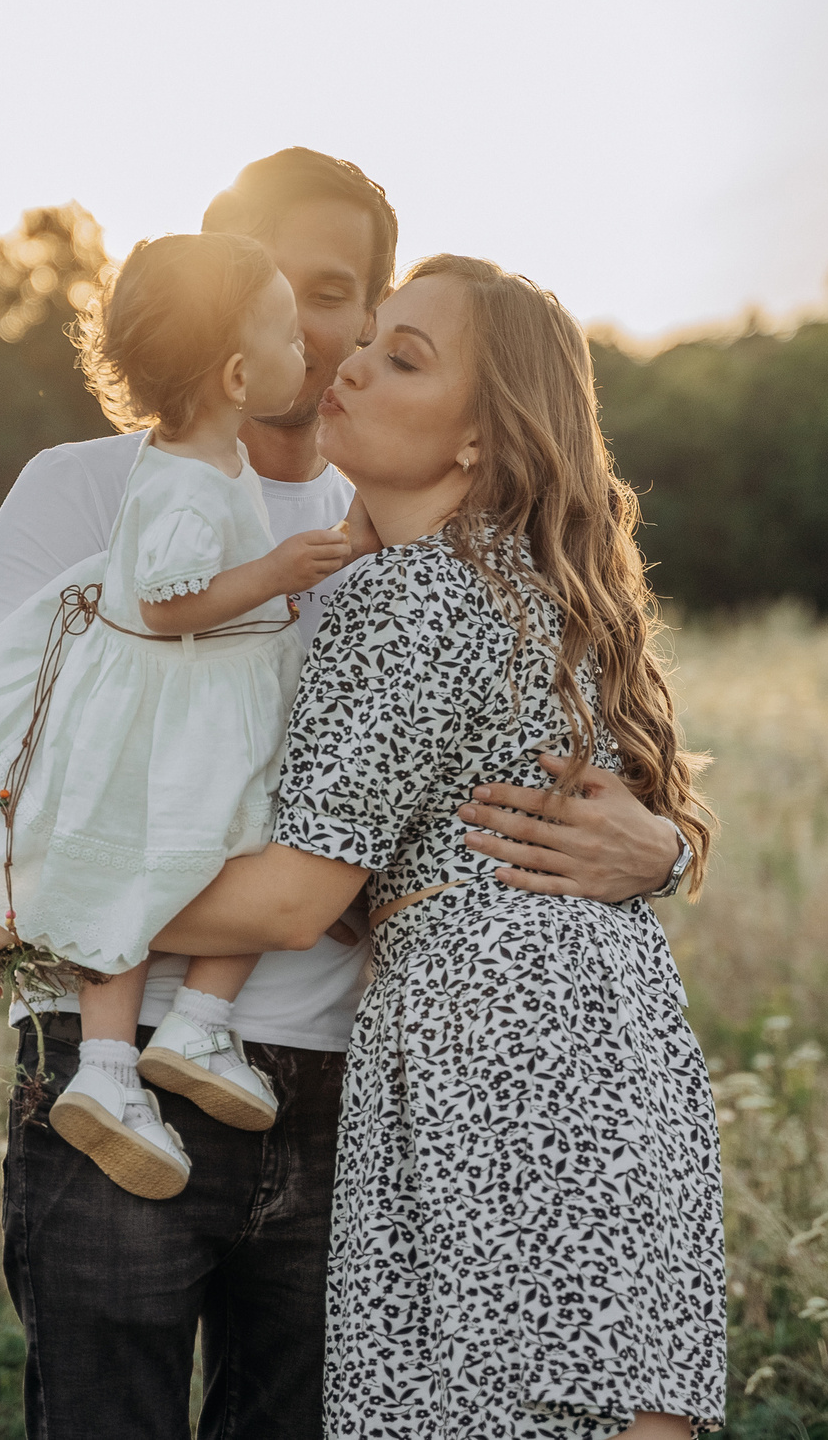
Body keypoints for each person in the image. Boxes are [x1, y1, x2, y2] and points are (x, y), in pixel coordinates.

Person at [0, 152, 697, 1440]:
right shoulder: (86, 488)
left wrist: (663, 849)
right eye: (264, 279)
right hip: (121, 1059)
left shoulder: (405, 528)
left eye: (352, 305)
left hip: (370, 1074)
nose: (314, 325)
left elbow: (553, 784)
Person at [136, 255, 729, 1437]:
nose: (353, 360)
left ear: (479, 441)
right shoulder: (528, 588)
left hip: (491, 1042)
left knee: (481, 1401)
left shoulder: (410, 595)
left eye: (406, 358)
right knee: (597, 1405)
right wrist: (664, 856)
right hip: (605, 1030)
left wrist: (40, 908)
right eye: (370, 339)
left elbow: (294, 901)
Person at [0, 233, 351, 1198]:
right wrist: (274, 572)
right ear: (235, 371)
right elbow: (160, 599)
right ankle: (117, 1063)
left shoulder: (209, 459)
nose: (303, 346)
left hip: (193, 693)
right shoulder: (187, 477)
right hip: (184, 700)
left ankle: (170, 1040)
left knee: (196, 843)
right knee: (174, 844)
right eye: (283, 332)